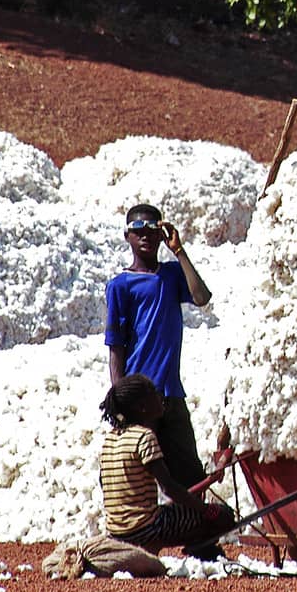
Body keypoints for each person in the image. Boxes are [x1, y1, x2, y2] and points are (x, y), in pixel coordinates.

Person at [105, 203, 213, 491]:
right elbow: (116, 346)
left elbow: (201, 297)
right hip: (140, 398)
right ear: (127, 236)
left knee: (191, 474)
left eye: (153, 229)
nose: (146, 236)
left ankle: (195, 532)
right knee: (142, 476)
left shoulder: (172, 274)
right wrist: (119, 397)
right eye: (138, 230)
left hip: (171, 394)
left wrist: (179, 250)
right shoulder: (121, 285)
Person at [98, 373, 233, 559]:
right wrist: (206, 509)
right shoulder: (144, 437)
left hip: (116, 530)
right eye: (154, 393)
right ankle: (200, 550)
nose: (160, 397)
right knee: (223, 515)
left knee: (180, 511)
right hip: (145, 528)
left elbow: (105, 484)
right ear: (142, 407)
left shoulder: (109, 440)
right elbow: (168, 487)